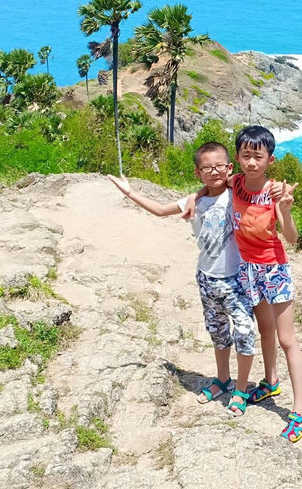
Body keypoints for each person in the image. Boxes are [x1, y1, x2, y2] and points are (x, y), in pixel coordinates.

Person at [108, 142, 255, 417]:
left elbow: (249, 179)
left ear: (229, 168)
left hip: (237, 280)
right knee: (218, 333)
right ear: (197, 172)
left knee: (245, 333)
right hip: (207, 278)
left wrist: (197, 192)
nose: (214, 171)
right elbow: (160, 210)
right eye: (207, 168)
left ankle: (242, 389)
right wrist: (129, 192)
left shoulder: (237, 193)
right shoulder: (194, 202)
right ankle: (223, 379)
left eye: (219, 166)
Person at [186, 126, 302, 442]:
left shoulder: (275, 191)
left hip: (274, 270)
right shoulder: (236, 182)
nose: (251, 162)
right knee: (264, 331)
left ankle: (300, 410)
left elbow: (292, 239)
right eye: (246, 155)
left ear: (270, 159)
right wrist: (194, 194)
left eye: (258, 156)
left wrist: (286, 209)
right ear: (238, 158)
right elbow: (212, 184)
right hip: (247, 270)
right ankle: (270, 383)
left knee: (286, 339)